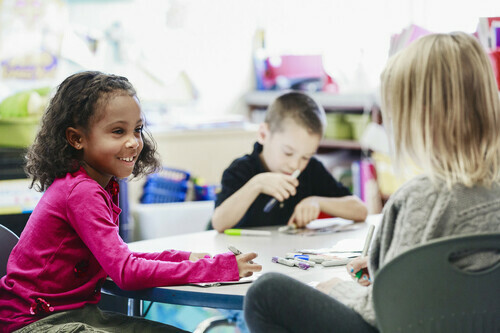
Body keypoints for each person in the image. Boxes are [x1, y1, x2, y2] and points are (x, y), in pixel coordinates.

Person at [243, 32, 500, 332]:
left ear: (420, 117)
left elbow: (386, 312)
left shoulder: (425, 197)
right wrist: (384, 270)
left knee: (266, 293)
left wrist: (337, 289)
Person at [0, 71, 262, 333]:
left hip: (76, 315)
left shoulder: (98, 185)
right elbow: (126, 271)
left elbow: (117, 256)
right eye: (117, 131)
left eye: (137, 129)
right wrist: (215, 268)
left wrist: (185, 258)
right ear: (76, 138)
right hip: (34, 324)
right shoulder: (81, 192)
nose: (133, 142)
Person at [211, 91, 368, 232]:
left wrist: (317, 201)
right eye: (288, 152)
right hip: (245, 258)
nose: (295, 165)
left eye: (305, 157)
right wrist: (256, 184)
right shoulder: (241, 169)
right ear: (264, 134)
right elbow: (219, 223)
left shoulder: (311, 169)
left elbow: (360, 210)